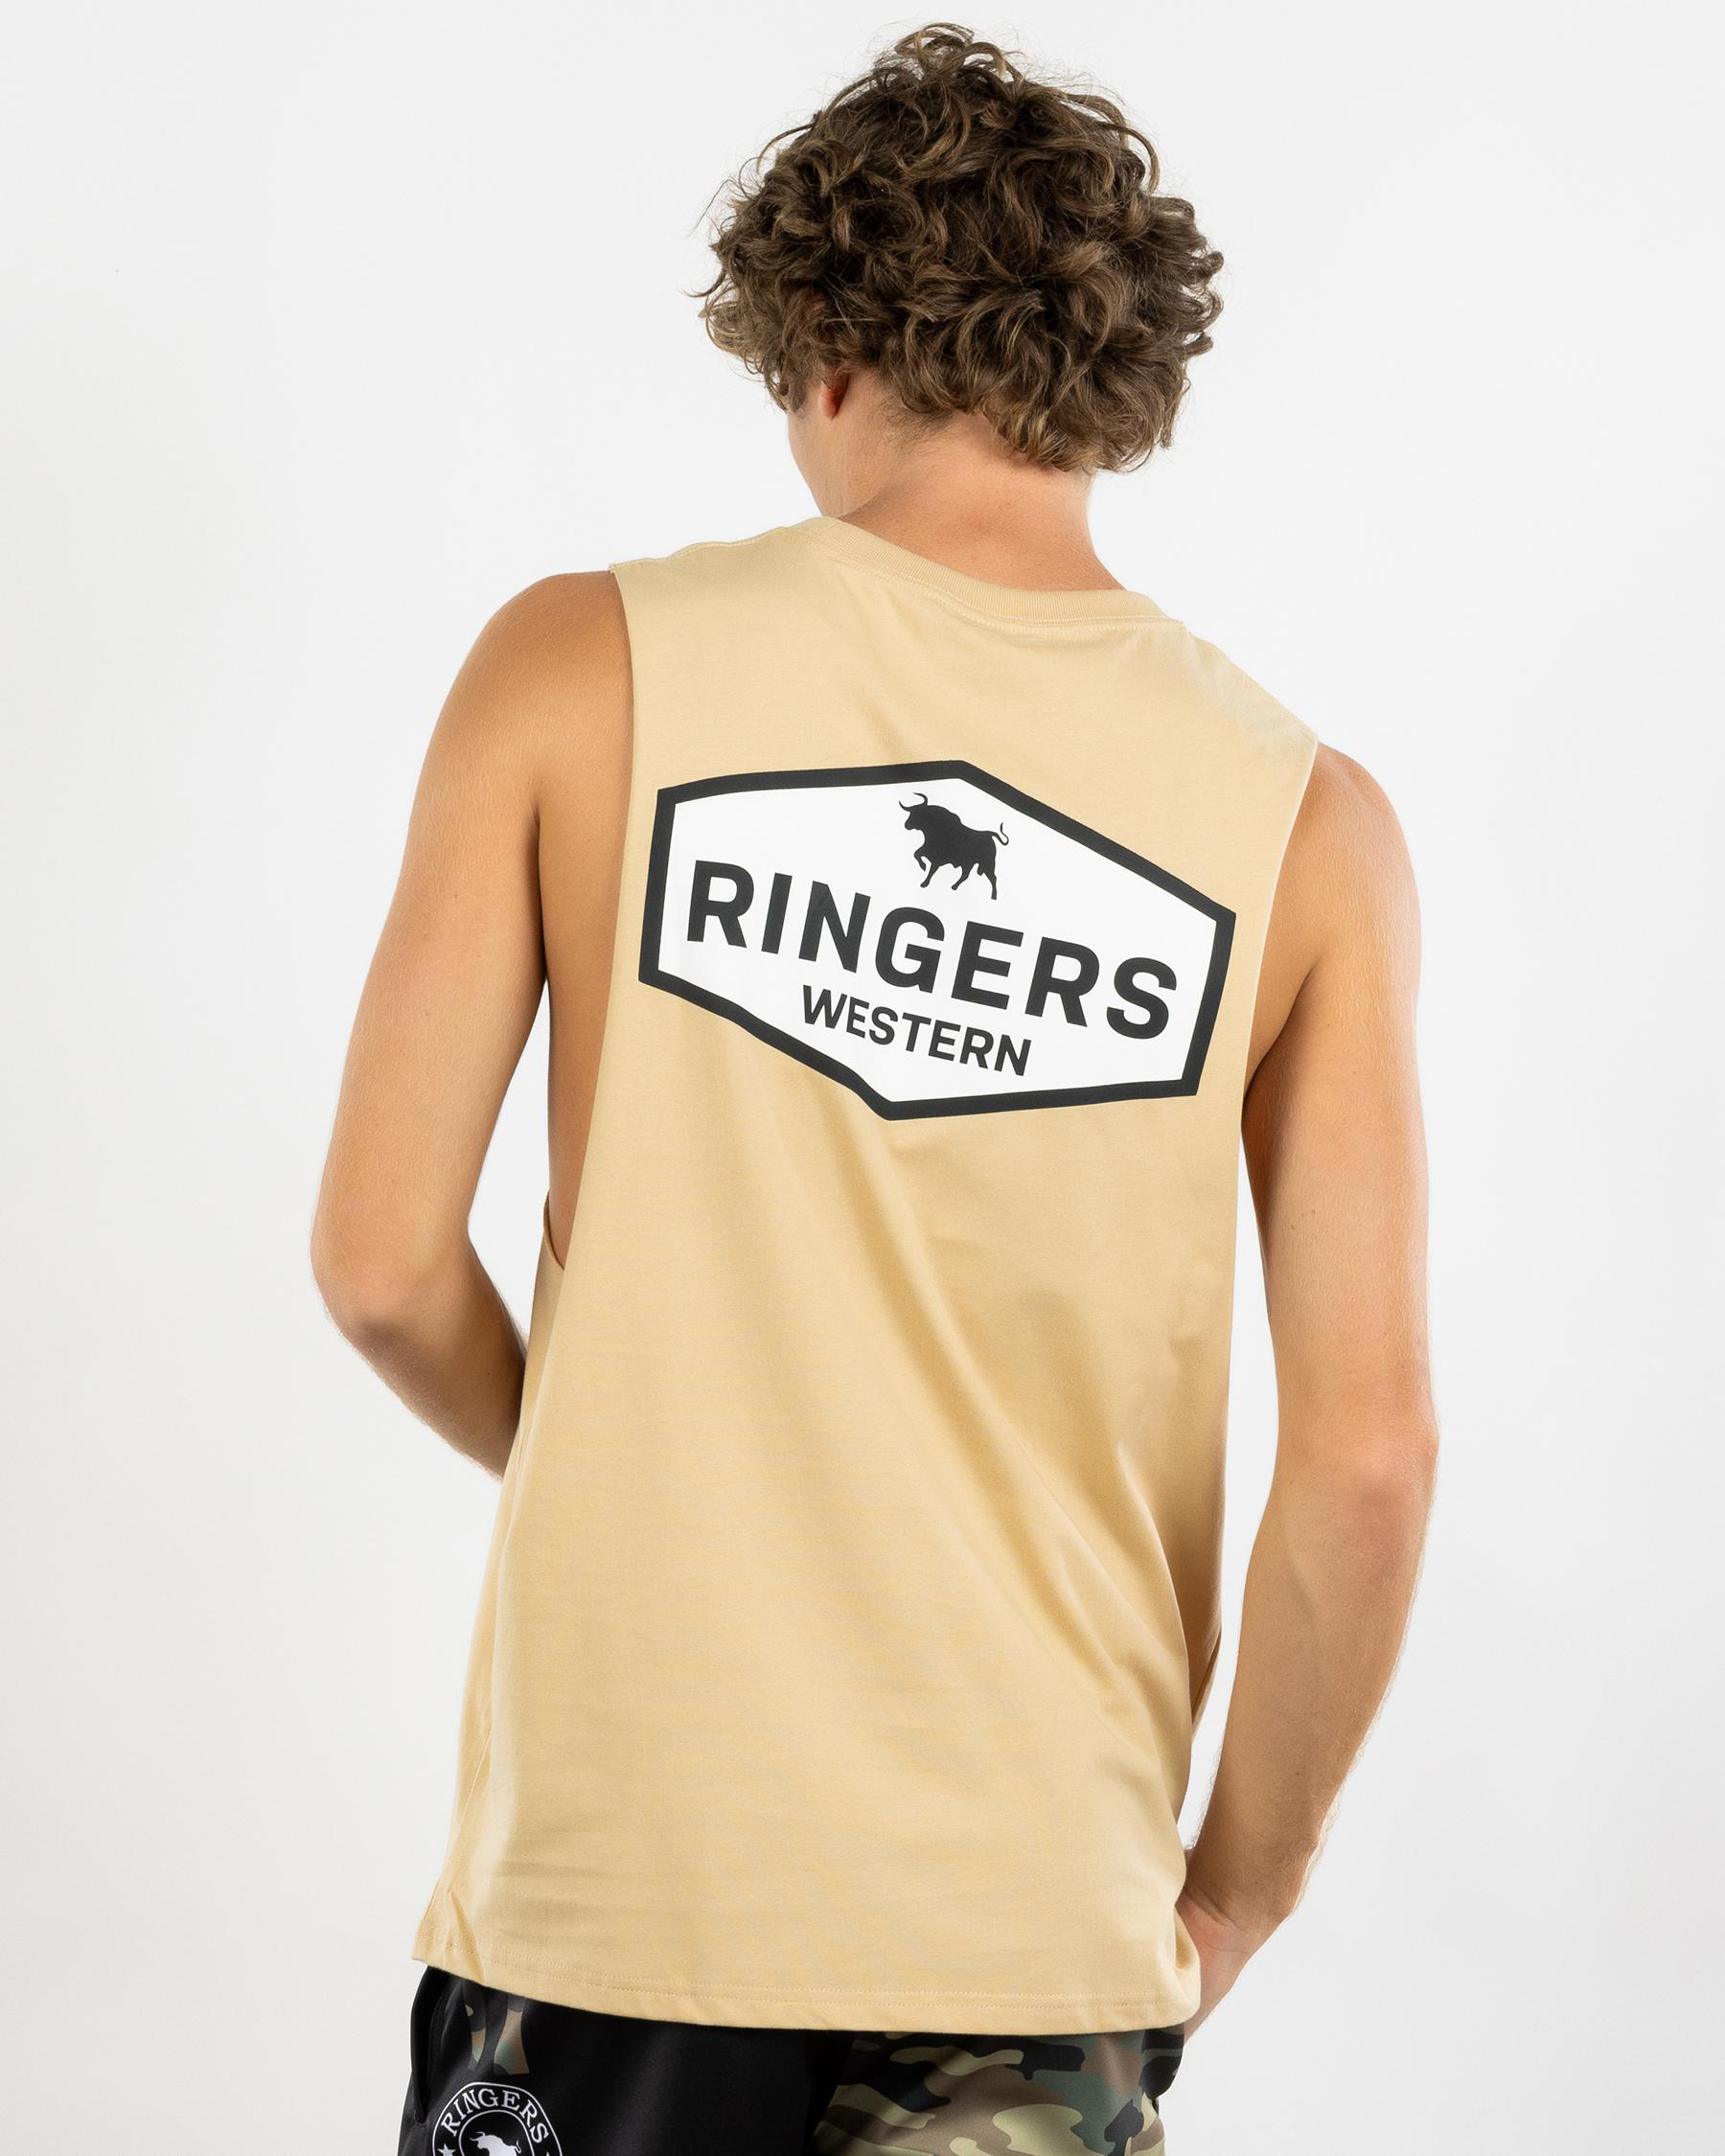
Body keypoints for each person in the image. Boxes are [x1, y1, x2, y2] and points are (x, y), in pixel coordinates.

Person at [312, 25, 1437, 2155]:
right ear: (1109, 376)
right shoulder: (1310, 830)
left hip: (620, 1894)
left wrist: (620, 1453)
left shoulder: (573, 667)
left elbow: (379, 1264)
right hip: (1032, 1919)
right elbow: (1370, 1461)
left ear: (825, 352)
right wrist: (1237, 1891)